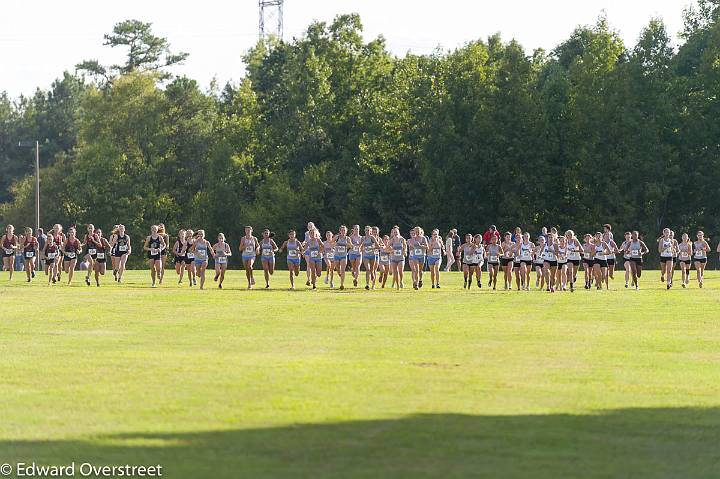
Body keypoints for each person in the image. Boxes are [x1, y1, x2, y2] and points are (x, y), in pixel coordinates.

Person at [332, 225, 351, 290]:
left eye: (344, 230)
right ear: (340, 231)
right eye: (342, 230)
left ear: (346, 231)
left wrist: (348, 245)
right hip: (336, 255)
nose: (343, 232)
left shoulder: (347, 238)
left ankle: (342, 284)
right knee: (338, 269)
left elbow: (351, 246)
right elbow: (331, 243)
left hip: (344, 256)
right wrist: (334, 244)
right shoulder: (337, 237)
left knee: (343, 270)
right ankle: (339, 273)